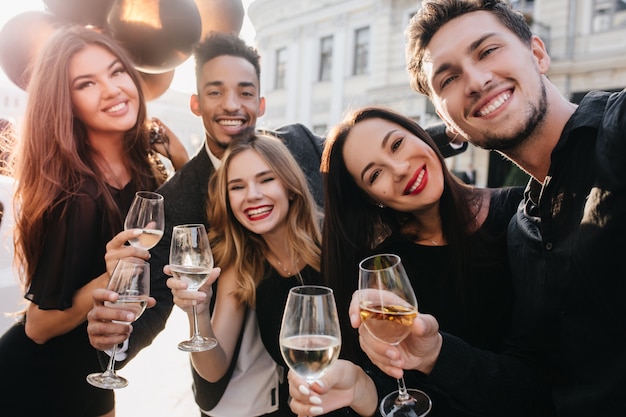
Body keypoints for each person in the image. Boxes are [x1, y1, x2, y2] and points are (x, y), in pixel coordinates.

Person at [343, 0, 626, 416]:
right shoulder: (524, 230)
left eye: (487, 50)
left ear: (537, 53)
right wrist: (435, 353)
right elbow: (533, 384)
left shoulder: (617, 131)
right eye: (449, 78)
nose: (475, 80)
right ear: (449, 123)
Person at [85, 31, 326, 412]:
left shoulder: (298, 145)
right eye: (215, 92)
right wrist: (115, 333)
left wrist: (448, 134)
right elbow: (157, 298)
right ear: (196, 103)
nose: (232, 104)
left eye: (245, 92)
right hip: (235, 394)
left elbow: (364, 158)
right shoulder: (175, 202)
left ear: (260, 103)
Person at [285, 106, 529, 417]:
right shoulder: (384, 270)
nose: (398, 169)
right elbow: (408, 394)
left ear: (421, 135)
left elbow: (551, 382)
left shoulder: (523, 212)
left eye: (397, 144)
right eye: (375, 174)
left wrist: (439, 355)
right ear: (371, 197)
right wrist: (365, 391)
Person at [0, 25, 188, 417]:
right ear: (66, 102)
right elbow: (38, 325)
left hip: (94, 374)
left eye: (117, 71)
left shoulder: (146, 174)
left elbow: (187, 235)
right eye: (86, 83)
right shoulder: (73, 190)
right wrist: (110, 277)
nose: (113, 89)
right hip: (36, 381)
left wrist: (183, 160)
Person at [166, 132, 332, 416]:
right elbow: (213, 370)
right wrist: (199, 314)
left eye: (266, 180)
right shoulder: (242, 265)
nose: (253, 195)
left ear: (290, 187)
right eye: (237, 187)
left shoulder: (334, 244)